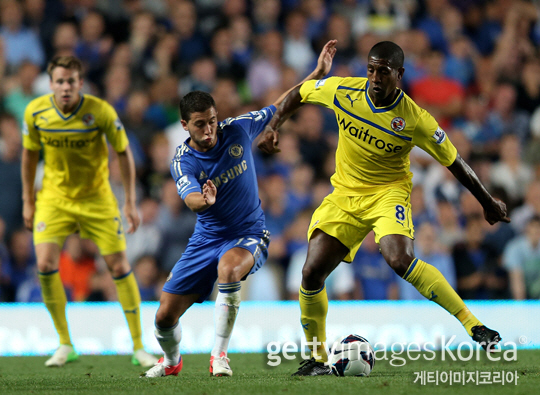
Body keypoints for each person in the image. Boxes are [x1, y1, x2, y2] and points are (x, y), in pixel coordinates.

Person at [258, 41, 510, 376]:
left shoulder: (415, 119)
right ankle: (316, 358)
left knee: (399, 259)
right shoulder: (344, 91)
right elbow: (301, 92)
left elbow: (456, 162)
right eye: (371, 69)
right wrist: (274, 124)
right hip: (345, 196)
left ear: (399, 75)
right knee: (310, 273)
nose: (375, 77)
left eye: (384, 71)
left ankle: (473, 325)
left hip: (388, 194)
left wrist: (487, 202)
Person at [143, 41, 337, 378]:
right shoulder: (183, 160)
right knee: (163, 318)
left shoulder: (237, 129)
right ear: (185, 125)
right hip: (205, 240)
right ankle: (172, 362)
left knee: (229, 271)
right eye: (200, 124)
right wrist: (204, 200)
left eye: (212, 121)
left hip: (248, 232)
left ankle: (219, 356)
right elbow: (189, 199)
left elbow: (280, 106)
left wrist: (317, 74)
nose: (209, 130)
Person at [21, 56, 157, 368]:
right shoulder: (36, 111)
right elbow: (29, 156)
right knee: (44, 264)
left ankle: (138, 346)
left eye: (71, 81)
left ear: (80, 83)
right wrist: (29, 201)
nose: (65, 87)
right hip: (54, 198)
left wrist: (131, 202)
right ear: (51, 84)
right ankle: (65, 343)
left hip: (97, 198)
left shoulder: (100, 112)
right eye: (60, 81)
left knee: (119, 265)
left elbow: (123, 152)